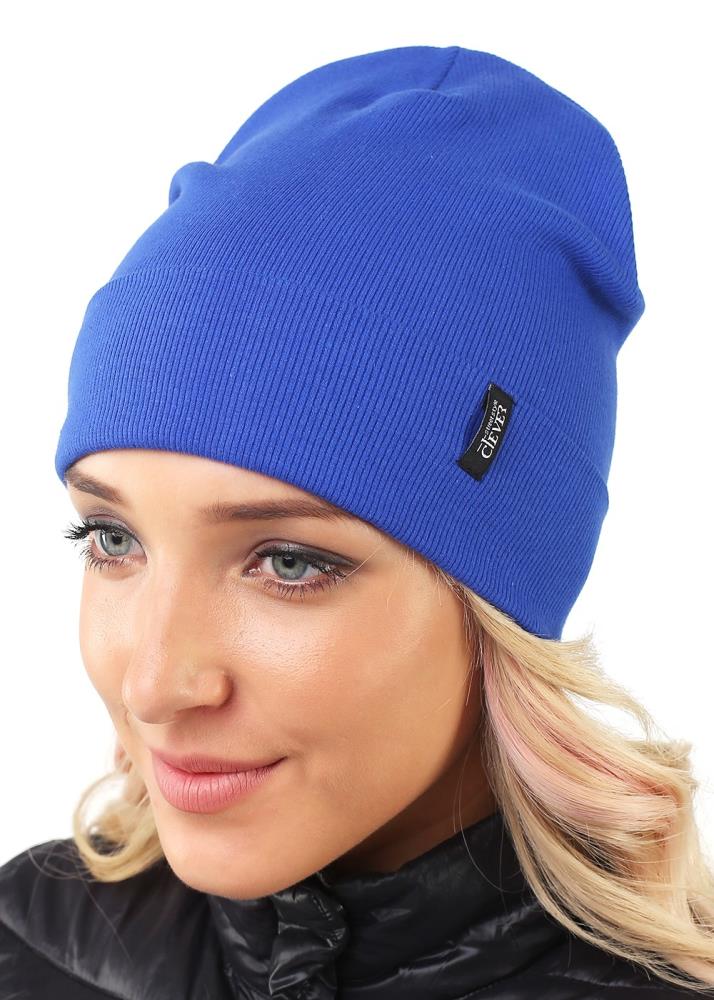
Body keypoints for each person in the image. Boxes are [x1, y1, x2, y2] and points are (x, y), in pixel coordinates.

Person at [1, 42, 713, 999]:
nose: (155, 684)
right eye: (113, 540)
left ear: (496, 603)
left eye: (289, 563)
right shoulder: (25, 942)